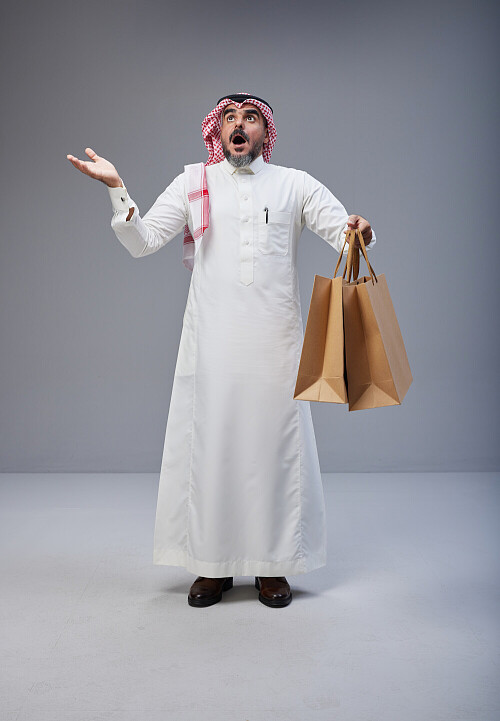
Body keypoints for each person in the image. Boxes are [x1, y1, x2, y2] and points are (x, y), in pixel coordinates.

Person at [67, 92, 376, 609]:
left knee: (275, 451)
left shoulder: (295, 184)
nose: (239, 125)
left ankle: (272, 565)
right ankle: (213, 565)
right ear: (218, 130)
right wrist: (118, 188)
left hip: (277, 343)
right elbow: (143, 241)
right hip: (211, 343)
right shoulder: (195, 182)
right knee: (213, 451)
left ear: (264, 132)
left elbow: (343, 233)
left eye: (250, 118)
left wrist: (361, 231)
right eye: (230, 117)